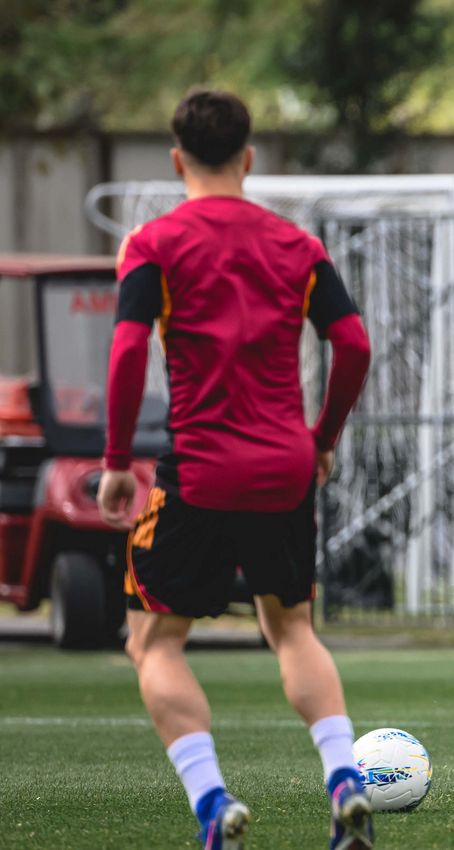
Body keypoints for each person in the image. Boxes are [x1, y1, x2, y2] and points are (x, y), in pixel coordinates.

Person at [96, 90, 375, 849]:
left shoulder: (152, 243)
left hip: (200, 467)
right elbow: (352, 345)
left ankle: (213, 802)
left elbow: (125, 352)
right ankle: (345, 776)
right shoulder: (297, 245)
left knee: (154, 643)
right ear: (249, 158)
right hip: (284, 466)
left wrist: (117, 461)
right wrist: (321, 437)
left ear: (177, 159)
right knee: (291, 628)